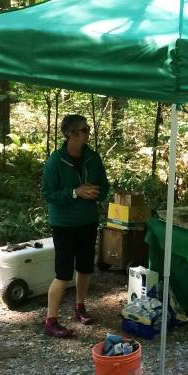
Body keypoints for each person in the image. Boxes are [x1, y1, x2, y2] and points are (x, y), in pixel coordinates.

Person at [41, 114, 110, 338]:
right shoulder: (55, 161)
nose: (88, 133)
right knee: (63, 272)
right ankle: (51, 320)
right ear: (70, 134)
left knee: (85, 267)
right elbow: (48, 194)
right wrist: (75, 192)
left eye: (88, 129)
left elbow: (104, 186)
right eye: (83, 130)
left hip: (88, 220)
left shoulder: (93, 158)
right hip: (64, 224)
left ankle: (80, 307)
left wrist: (95, 191)